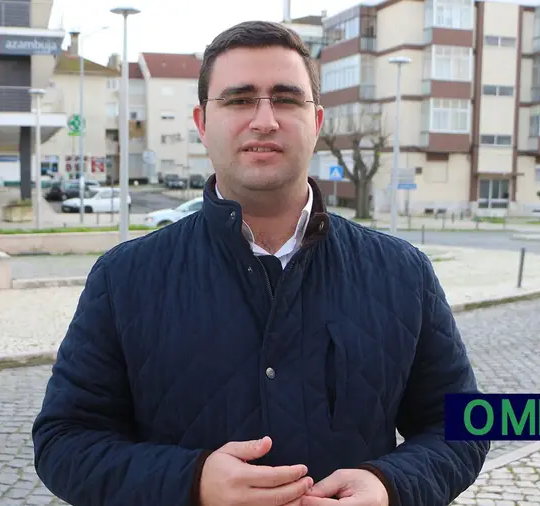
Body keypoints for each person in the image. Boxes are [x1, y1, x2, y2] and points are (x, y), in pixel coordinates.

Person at [32, 20, 489, 506]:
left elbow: (461, 425)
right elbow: (66, 441)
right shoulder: (124, 277)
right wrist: (191, 481)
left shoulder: (404, 273)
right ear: (203, 123)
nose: (264, 120)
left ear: (316, 122)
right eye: (239, 99)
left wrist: (388, 486)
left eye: (287, 99)